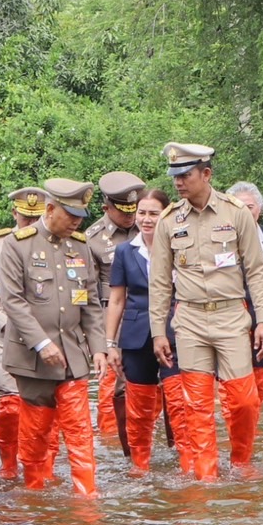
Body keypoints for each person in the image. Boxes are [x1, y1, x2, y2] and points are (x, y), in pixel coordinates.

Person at [148, 144, 263, 481]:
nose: (178, 182)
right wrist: (158, 330)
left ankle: (242, 462)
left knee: (244, 400)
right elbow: (159, 281)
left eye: (185, 175)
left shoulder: (235, 213)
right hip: (188, 319)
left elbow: (257, 271)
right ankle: (206, 475)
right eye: (174, 176)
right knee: (197, 405)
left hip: (232, 316)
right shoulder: (169, 220)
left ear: (206, 174)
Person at [0, 178, 109, 496]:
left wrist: (98, 348)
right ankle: (34, 495)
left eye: (80, 216)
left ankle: (87, 498)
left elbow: (89, 302)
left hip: (73, 354)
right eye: (71, 214)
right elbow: (13, 302)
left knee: (79, 430)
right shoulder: (18, 244)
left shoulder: (81, 246)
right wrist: (41, 342)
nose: (77, 221)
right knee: (35, 435)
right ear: (50, 209)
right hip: (32, 360)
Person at [0, 186, 51, 479]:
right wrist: (2, 320)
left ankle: (42, 469)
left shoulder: (56, 243)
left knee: (44, 410)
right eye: (25, 218)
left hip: (48, 338)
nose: (30, 225)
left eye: (36, 218)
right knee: (10, 407)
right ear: (14, 213)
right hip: (9, 338)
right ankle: (8, 468)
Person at [103, 189, 181, 475]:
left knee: (179, 400)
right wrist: (110, 343)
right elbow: (117, 299)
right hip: (136, 334)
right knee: (138, 404)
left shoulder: (178, 245)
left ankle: (187, 460)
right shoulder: (125, 250)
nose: (146, 220)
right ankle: (140, 463)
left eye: (153, 213)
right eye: (142, 213)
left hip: (175, 331)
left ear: (166, 215)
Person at [85, 171, 146, 447]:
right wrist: (99, 341)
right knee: (113, 387)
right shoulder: (92, 239)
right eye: (123, 211)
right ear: (106, 207)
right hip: (113, 319)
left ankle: (149, 439)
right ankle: (113, 445)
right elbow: (88, 294)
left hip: (149, 315)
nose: (130, 216)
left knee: (152, 387)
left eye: (133, 209)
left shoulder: (149, 226)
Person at [228, 180, 263, 405]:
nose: (245, 212)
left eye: (250, 206)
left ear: (259, 208)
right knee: (232, 369)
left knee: (259, 362)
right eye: (239, 206)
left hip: (259, 309)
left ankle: (255, 417)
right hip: (231, 309)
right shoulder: (223, 235)